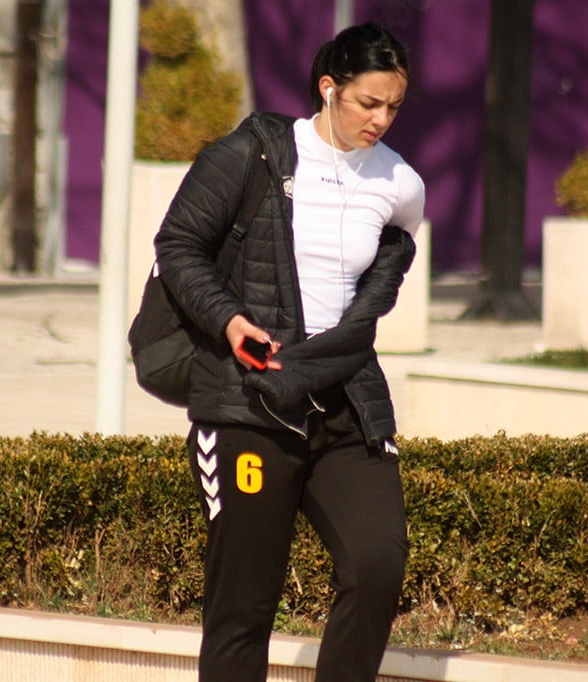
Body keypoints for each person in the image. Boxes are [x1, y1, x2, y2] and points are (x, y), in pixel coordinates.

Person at [153, 21, 425, 682]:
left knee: (376, 564)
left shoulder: (400, 184)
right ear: (329, 88)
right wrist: (229, 320)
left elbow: (385, 273)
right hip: (247, 402)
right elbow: (178, 244)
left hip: (344, 401)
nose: (381, 119)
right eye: (368, 102)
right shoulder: (251, 155)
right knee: (244, 603)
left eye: (393, 106)